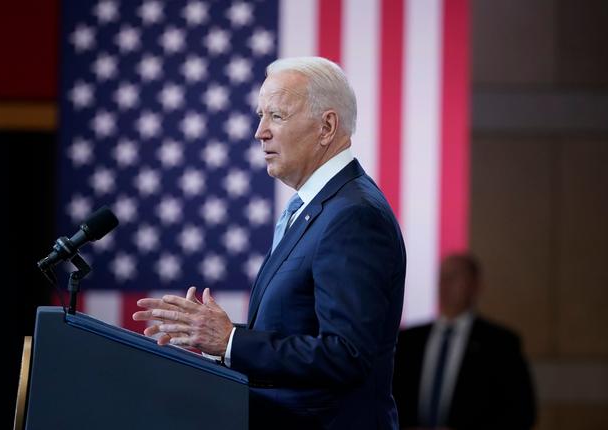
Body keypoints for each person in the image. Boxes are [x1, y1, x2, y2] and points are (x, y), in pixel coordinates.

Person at [133, 56, 407, 429]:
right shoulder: (319, 207)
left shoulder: (353, 216)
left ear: (326, 126)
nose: (259, 132)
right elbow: (298, 330)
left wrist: (230, 341)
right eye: (261, 116)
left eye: (276, 116)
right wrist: (222, 341)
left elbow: (347, 355)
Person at [393, 253, 536, 430]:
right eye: (442, 277)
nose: (444, 284)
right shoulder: (408, 340)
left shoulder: (500, 344)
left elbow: (520, 413)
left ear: (476, 286)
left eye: (454, 277)